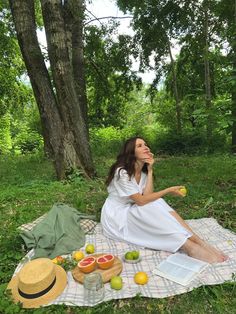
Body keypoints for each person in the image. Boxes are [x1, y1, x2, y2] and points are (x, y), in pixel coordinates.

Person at [101, 136, 228, 263]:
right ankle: (189, 246)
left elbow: (148, 196)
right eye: (139, 146)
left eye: (145, 144)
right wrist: (168, 190)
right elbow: (141, 201)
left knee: (156, 202)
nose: (145, 147)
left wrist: (150, 170)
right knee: (154, 204)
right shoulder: (121, 173)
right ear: (131, 152)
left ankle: (197, 240)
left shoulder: (143, 173)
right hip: (117, 216)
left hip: (132, 207)